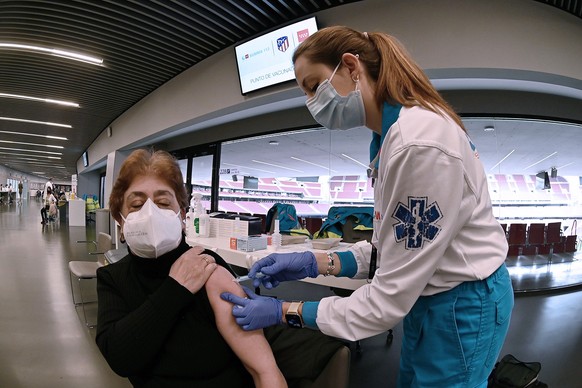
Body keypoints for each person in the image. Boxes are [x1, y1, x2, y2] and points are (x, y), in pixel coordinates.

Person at [221, 26, 514, 388]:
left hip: (462, 302)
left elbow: (385, 301)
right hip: (431, 296)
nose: (312, 102)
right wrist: (315, 261)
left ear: (350, 66)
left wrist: (286, 312)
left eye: (313, 86)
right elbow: (388, 250)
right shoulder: (388, 140)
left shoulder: (418, 144)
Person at [96, 149, 344, 387]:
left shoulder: (208, 268)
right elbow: (120, 358)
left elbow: (264, 371)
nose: (150, 214)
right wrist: (174, 290)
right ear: (120, 220)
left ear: (182, 216)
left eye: (162, 203)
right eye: (137, 205)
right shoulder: (112, 278)